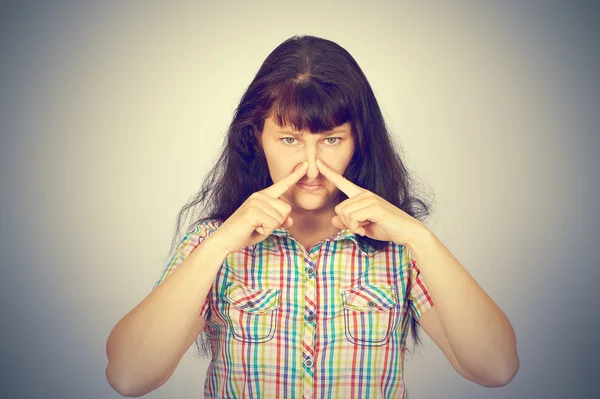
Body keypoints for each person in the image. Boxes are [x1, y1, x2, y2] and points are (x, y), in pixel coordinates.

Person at [106, 34, 519, 398]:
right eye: (289, 139)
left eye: (331, 139)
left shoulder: (402, 248)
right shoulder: (214, 244)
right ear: (257, 139)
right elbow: (129, 377)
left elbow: (495, 369)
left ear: (358, 141)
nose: (311, 167)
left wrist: (420, 238)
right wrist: (219, 245)